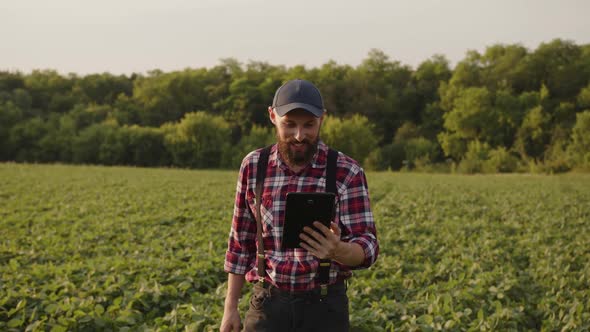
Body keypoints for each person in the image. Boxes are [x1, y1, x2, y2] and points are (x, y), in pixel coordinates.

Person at [220, 79, 379, 332]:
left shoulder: (346, 171)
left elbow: (368, 246)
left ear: (322, 119)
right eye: (289, 124)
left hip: (324, 306)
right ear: (273, 116)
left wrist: (338, 250)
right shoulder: (254, 166)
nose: (299, 135)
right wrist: (230, 308)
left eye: (309, 125)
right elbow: (240, 243)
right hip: (267, 304)